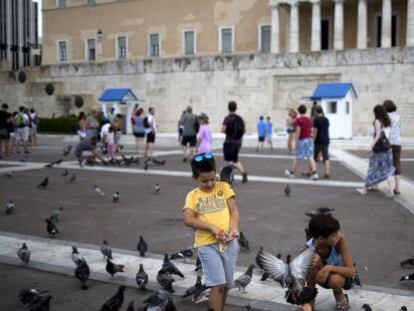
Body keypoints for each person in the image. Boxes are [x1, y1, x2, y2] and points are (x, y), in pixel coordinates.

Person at [183, 153, 240, 311]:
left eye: (212, 179)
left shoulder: (224, 187)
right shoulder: (193, 196)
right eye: (204, 181)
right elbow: (188, 219)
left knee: (227, 285)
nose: (209, 184)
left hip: (229, 243)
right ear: (195, 178)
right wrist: (211, 227)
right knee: (218, 284)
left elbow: (234, 211)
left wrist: (233, 228)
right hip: (207, 245)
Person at [306, 214, 355, 311]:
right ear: (320, 239)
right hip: (321, 278)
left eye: (337, 233)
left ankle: (341, 298)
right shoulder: (310, 247)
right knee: (313, 259)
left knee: (336, 280)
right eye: (333, 235)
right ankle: (310, 303)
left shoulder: (340, 240)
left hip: (342, 277)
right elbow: (306, 277)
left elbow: (351, 271)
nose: (338, 236)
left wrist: (328, 268)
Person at [357, 105, 395, 197]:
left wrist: (371, 146)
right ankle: (391, 191)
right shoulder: (383, 121)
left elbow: (378, 135)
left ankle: (365, 189)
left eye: (374, 112)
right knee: (388, 169)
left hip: (379, 150)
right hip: (387, 148)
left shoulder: (377, 121)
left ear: (376, 112)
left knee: (372, 168)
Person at [285, 105, 318, 180]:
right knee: (310, 156)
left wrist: (296, 141)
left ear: (299, 111)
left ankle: (292, 173)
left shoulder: (299, 120)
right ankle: (315, 173)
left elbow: (298, 131)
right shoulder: (309, 119)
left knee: (297, 157)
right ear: (306, 111)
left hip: (302, 140)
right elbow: (312, 129)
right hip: (309, 139)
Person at [221, 101, 248, 183]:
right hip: (237, 142)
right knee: (235, 160)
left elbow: (223, 130)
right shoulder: (239, 118)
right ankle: (243, 172)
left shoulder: (227, 118)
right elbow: (244, 130)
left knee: (229, 161)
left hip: (229, 141)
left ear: (228, 108)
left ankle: (230, 178)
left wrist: (228, 131)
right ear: (236, 108)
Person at [383, 100, 402, 195]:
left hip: (388, 144)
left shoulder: (385, 117)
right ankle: (397, 188)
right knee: (397, 164)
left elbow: (386, 132)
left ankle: (390, 189)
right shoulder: (399, 117)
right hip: (398, 143)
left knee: (388, 165)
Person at [313, 106, 331, 178]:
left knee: (313, 157)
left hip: (318, 140)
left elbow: (315, 131)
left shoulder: (316, 120)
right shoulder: (326, 119)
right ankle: (327, 172)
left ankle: (311, 171)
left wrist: (313, 140)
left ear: (316, 112)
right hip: (326, 140)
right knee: (326, 157)